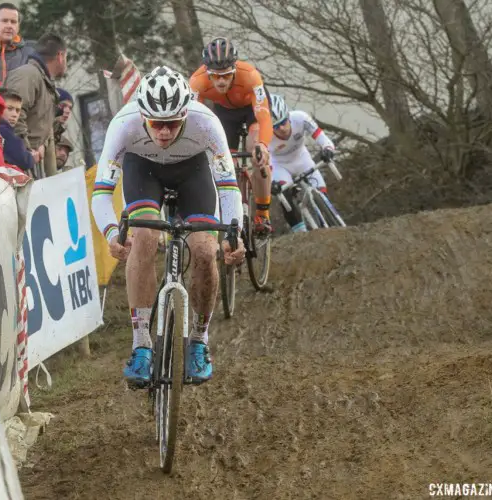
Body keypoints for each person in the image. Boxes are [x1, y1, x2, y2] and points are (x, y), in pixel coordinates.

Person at [90, 66, 245, 386]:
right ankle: (141, 345)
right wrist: (110, 234)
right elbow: (102, 194)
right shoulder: (123, 123)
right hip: (142, 171)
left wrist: (233, 234)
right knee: (143, 237)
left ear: (186, 114)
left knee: (205, 249)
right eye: (156, 124)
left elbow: (228, 186)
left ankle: (199, 340)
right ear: (142, 114)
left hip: (193, 173)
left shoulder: (207, 123)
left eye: (173, 124)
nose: (163, 132)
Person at [189, 37, 274, 234]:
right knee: (224, 162)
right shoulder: (196, 81)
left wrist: (263, 144)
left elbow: (264, 118)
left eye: (226, 75)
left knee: (257, 152)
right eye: (215, 76)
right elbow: (194, 119)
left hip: (251, 111)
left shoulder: (250, 75)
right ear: (207, 72)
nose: (220, 81)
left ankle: (263, 214)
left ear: (234, 70)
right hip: (225, 114)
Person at [268, 95, 336, 233]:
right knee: (283, 195)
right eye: (275, 126)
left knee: (321, 191)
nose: (281, 128)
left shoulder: (300, 118)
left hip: (302, 158)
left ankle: (331, 225)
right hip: (279, 165)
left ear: (288, 116)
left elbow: (324, 139)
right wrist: (270, 182)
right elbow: (264, 163)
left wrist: (327, 150)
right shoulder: (264, 136)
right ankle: (300, 234)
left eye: (284, 122)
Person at [5, 33, 66, 170]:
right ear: (60, 56)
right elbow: (13, 116)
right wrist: (26, 152)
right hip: (20, 163)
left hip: (31, 161)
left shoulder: (44, 82)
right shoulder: (28, 75)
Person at [0, 3, 31, 81]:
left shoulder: (28, 55)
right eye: (4, 21)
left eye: (13, 22)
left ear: (18, 27)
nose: (9, 26)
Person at [0, 88, 34, 174]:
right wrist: (32, 157)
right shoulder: (3, 131)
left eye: (18, 110)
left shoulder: (9, 130)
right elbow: (24, 160)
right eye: (9, 109)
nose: (14, 114)